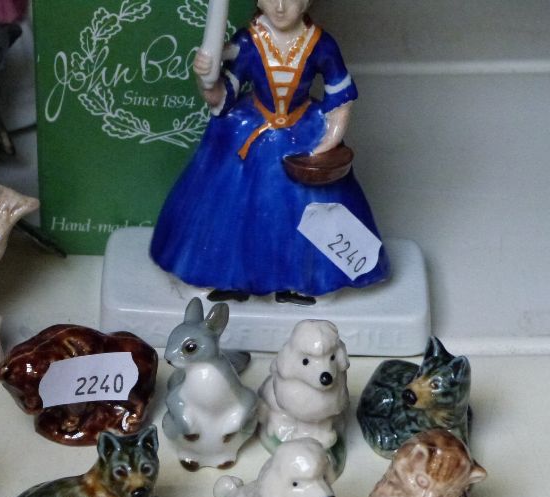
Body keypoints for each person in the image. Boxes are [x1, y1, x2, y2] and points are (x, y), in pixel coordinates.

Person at [150, 0, 390, 304]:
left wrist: (327, 143)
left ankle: (307, 281)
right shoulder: (248, 41)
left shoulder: (320, 43)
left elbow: (340, 97)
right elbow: (222, 97)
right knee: (226, 205)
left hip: (303, 130)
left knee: (306, 206)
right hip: (248, 130)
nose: (279, 7)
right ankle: (223, 276)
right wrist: (206, 80)